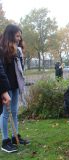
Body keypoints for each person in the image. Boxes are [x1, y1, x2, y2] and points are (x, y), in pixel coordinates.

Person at [0, 24, 30, 153]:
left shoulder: (17, 51)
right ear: (11, 35)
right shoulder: (1, 50)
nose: (19, 38)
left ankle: (15, 137)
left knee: (15, 112)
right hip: (5, 88)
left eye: (20, 36)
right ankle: (5, 141)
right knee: (5, 114)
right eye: (17, 36)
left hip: (15, 86)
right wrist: (3, 91)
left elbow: (19, 71)